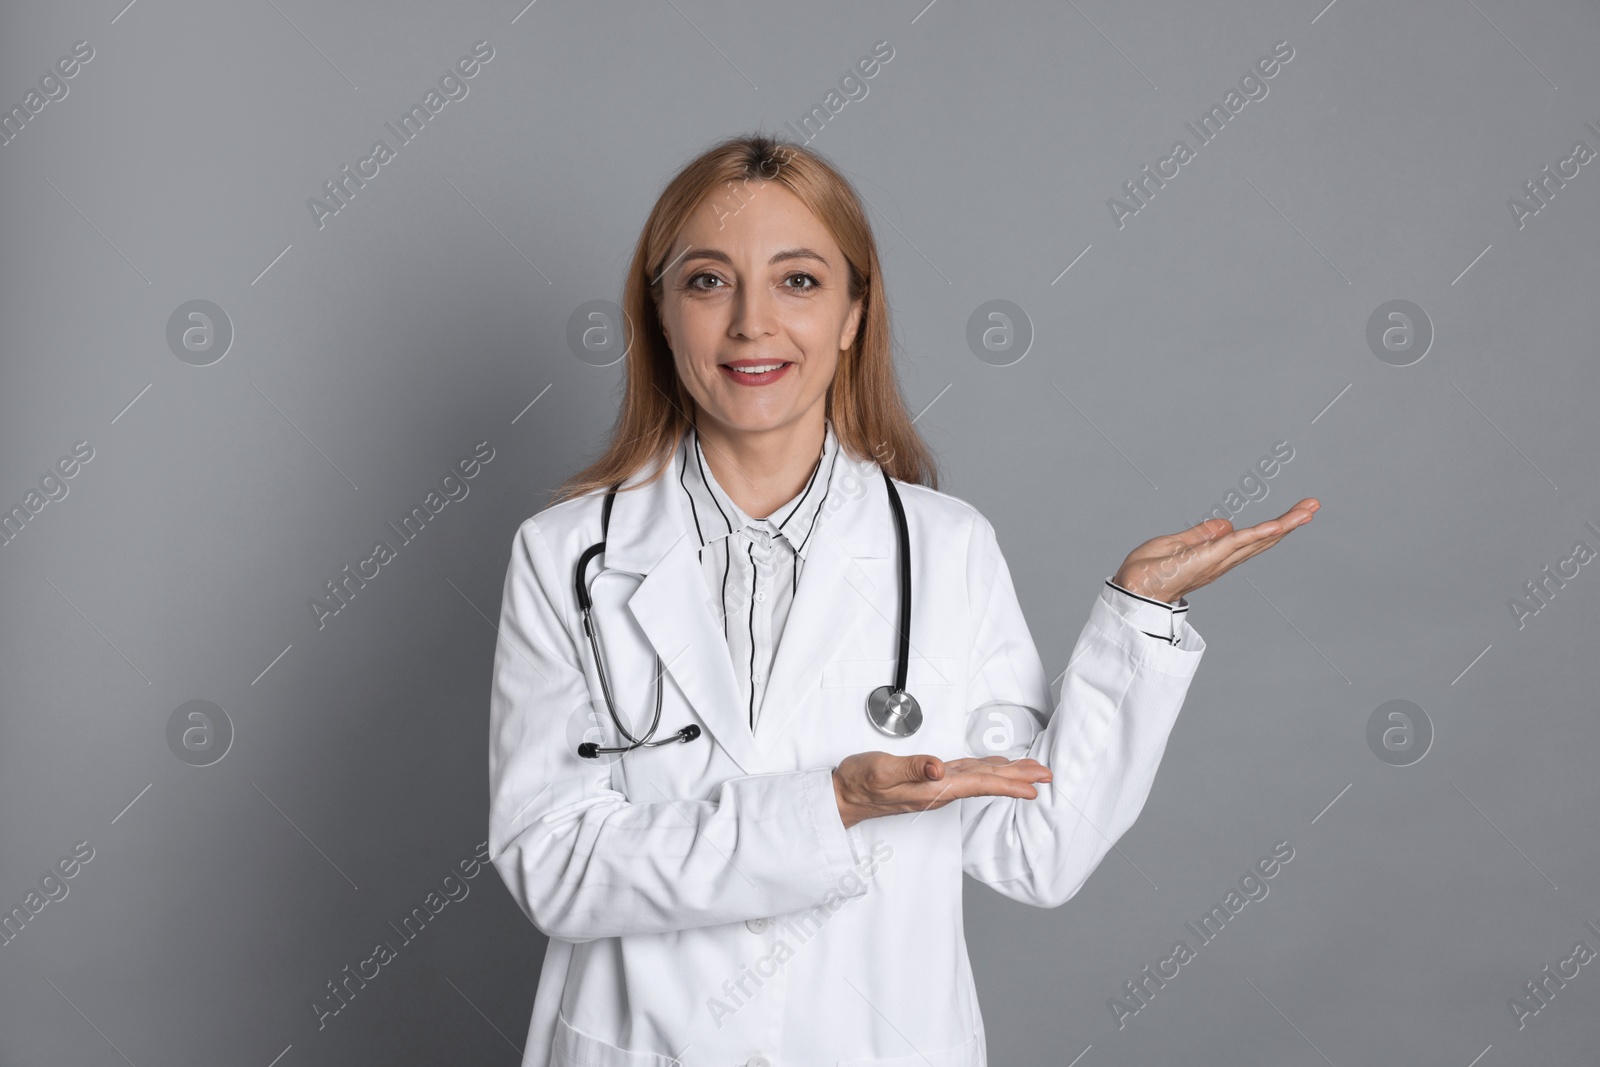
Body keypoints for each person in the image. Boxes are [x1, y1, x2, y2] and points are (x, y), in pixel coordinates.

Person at [487, 133, 1318, 1067]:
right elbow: (551, 866)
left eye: (798, 280)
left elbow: (1035, 850)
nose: (752, 323)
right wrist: (830, 804)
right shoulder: (568, 557)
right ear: (661, 312)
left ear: (852, 314)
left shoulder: (945, 548)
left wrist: (1140, 617)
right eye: (709, 281)